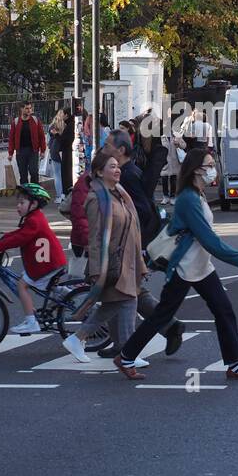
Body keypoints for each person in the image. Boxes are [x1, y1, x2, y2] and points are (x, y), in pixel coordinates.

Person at [113, 148, 238, 382]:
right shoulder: (188, 199)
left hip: (201, 266)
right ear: (195, 170)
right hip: (184, 267)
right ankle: (126, 356)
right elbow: (207, 238)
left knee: (224, 311)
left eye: (213, 164)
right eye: (209, 165)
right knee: (162, 315)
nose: (213, 170)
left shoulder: (198, 194)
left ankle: (235, 364)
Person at [64, 150, 146, 366]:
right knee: (127, 301)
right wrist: (97, 271)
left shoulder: (117, 194)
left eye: (118, 166)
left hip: (124, 259)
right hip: (110, 263)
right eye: (112, 166)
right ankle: (128, 353)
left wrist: (139, 260)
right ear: (99, 172)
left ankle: (78, 338)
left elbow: (130, 226)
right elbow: (95, 237)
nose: (117, 169)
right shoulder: (95, 199)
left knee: (115, 304)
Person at [0, 183, 73, 348]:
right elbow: (18, 234)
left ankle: (31, 321)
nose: (18, 206)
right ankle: (74, 298)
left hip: (46, 265)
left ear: (34, 204)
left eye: (22, 203)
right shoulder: (34, 218)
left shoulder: (34, 221)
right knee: (53, 290)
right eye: (18, 203)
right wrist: (1, 240)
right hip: (51, 263)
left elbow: (21, 238)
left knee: (22, 285)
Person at [7, 102, 46, 186]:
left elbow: (42, 136)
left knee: (34, 172)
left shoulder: (35, 121)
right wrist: (10, 153)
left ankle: (35, 193)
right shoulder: (16, 122)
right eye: (27, 108)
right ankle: (25, 195)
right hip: (20, 151)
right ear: (22, 109)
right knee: (23, 174)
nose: (29, 110)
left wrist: (43, 151)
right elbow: (11, 138)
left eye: (30, 108)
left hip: (33, 151)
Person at [47, 108, 67, 201]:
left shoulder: (52, 126)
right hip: (64, 151)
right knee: (64, 174)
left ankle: (59, 195)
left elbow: (49, 140)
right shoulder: (67, 126)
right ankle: (64, 194)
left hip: (55, 151)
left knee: (57, 175)